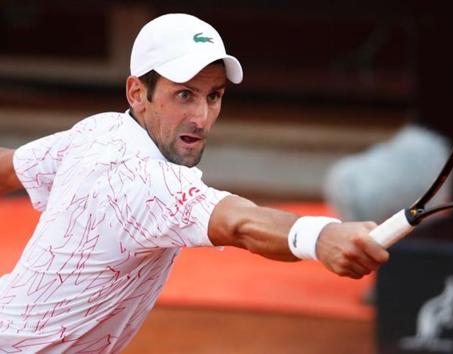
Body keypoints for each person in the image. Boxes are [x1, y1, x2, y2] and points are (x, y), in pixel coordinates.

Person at [0, 13, 389, 353]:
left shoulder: (99, 130)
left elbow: (6, 168)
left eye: (214, 96)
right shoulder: (149, 184)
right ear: (138, 93)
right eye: (184, 95)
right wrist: (320, 236)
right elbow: (239, 222)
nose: (201, 117)